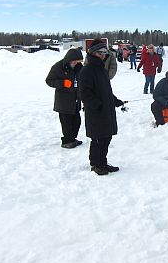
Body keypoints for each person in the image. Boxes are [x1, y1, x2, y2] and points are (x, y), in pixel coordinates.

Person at [79, 39, 126, 176]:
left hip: (107, 111)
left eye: (105, 53)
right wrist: (97, 105)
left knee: (106, 138)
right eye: (101, 53)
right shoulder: (86, 71)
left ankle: (103, 163)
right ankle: (95, 164)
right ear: (93, 53)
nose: (104, 55)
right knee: (98, 139)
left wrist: (115, 101)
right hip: (96, 112)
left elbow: (106, 91)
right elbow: (84, 93)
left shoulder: (102, 70)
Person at [46, 48, 84, 148]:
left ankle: (72, 139)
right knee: (66, 123)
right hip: (63, 101)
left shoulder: (80, 68)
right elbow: (49, 80)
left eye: (78, 61)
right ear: (70, 59)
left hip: (75, 100)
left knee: (77, 121)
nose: (76, 63)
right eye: (75, 61)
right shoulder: (58, 67)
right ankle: (67, 141)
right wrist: (62, 83)